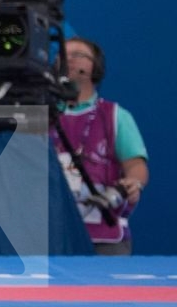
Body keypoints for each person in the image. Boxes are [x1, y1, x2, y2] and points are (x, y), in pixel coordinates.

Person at [53, 37, 149, 255]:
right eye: (62, 55)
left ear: (96, 68)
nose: (69, 60)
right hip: (50, 235)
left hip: (103, 236)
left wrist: (134, 182)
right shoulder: (42, 115)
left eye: (78, 55)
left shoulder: (116, 115)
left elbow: (136, 166)